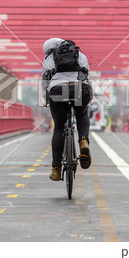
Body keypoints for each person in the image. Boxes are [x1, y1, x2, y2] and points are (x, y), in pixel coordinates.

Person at [42, 38, 93, 181]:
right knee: (82, 114)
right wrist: (91, 96)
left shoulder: (49, 58)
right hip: (80, 89)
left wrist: (45, 98)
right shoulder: (79, 55)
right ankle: (83, 141)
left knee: (59, 127)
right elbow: (87, 76)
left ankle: (56, 169)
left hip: (57, 91)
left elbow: (45, 80)